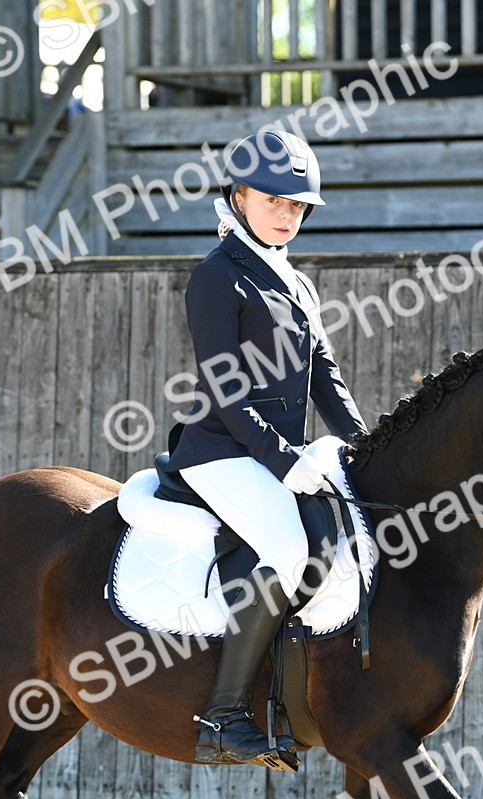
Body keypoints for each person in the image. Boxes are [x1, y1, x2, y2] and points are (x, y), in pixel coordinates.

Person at [164, 130, 368, 765]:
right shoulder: (216, 277)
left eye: (298, 207)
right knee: (288, 547)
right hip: (222, 453)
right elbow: (228, 393)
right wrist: (290, 462)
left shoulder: (297, 283)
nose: (288, 215)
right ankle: (222, 716)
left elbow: (326, 382)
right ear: (240, 195)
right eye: (275, 201)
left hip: (280, 453)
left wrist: (365, 449)